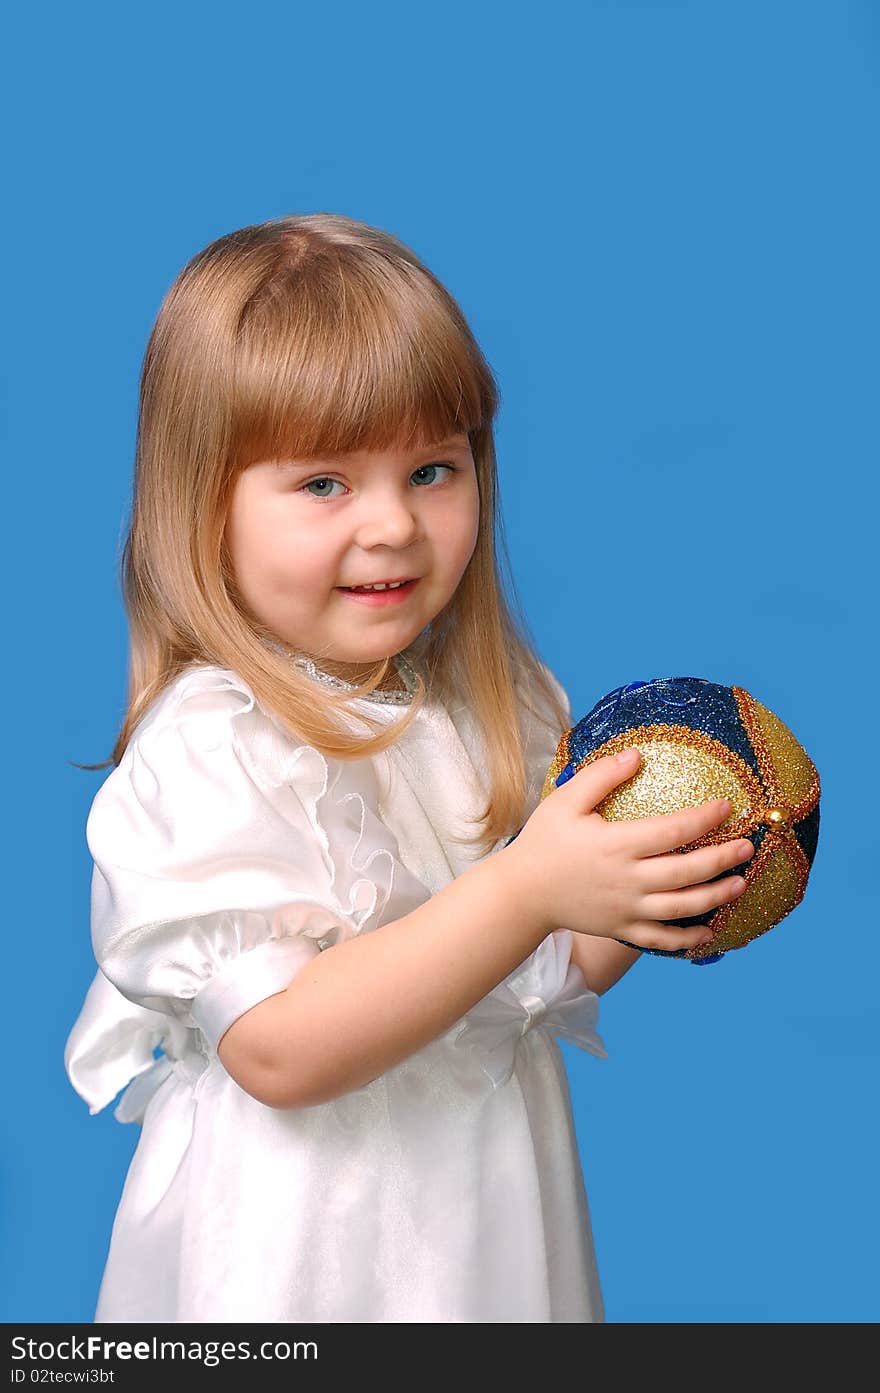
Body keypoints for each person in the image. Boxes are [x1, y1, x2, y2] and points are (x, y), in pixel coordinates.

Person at [63, 212, 754, 1323]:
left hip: (481, 1222)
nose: (392, 524)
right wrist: (528, 886)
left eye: (432, 468)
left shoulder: (496, 706)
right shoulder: (213, 749)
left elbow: (540, 974)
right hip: (301, 1255)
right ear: (205, 505)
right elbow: (280, 1048)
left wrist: (645, 886)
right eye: (324, 484)